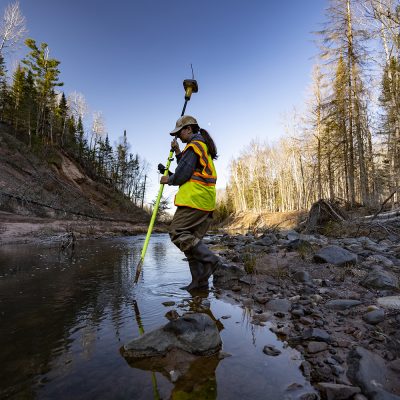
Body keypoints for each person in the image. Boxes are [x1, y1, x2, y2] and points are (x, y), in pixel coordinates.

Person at [159, 115, 221, 291]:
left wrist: (168, 179)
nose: (178, 136)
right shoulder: (199, 146)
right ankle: (199, 283)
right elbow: (188, 166)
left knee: (177, 232)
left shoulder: (194, 146)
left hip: (195, 199)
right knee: (191, 244)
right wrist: (178, 152)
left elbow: (182, 174)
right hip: (205, 201)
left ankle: (212, 260)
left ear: (188, 129)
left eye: (179, 133)